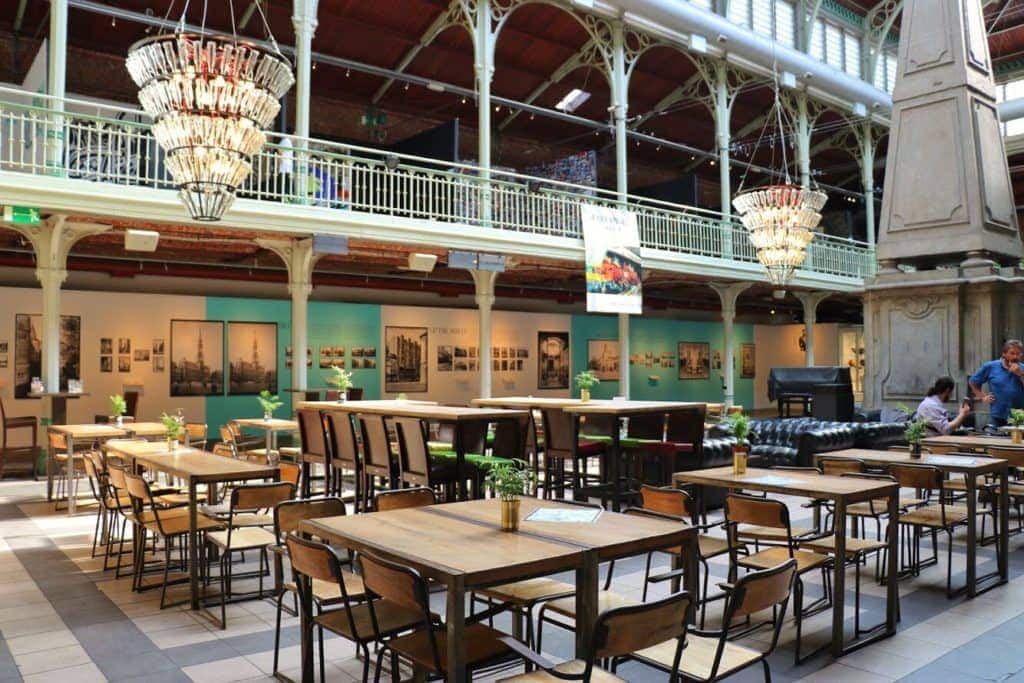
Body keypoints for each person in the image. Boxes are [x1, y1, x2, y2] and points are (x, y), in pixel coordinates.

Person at [968, 339, 1024, 428]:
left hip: (1019, 417)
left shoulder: (1022, 368)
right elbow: (973, 382)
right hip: (998, 416)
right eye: (1012, 353)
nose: (1015, 357)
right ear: (1004, 354)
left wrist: (1020, 374)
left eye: (1018, 354)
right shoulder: (991, 367)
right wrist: (983, 397)